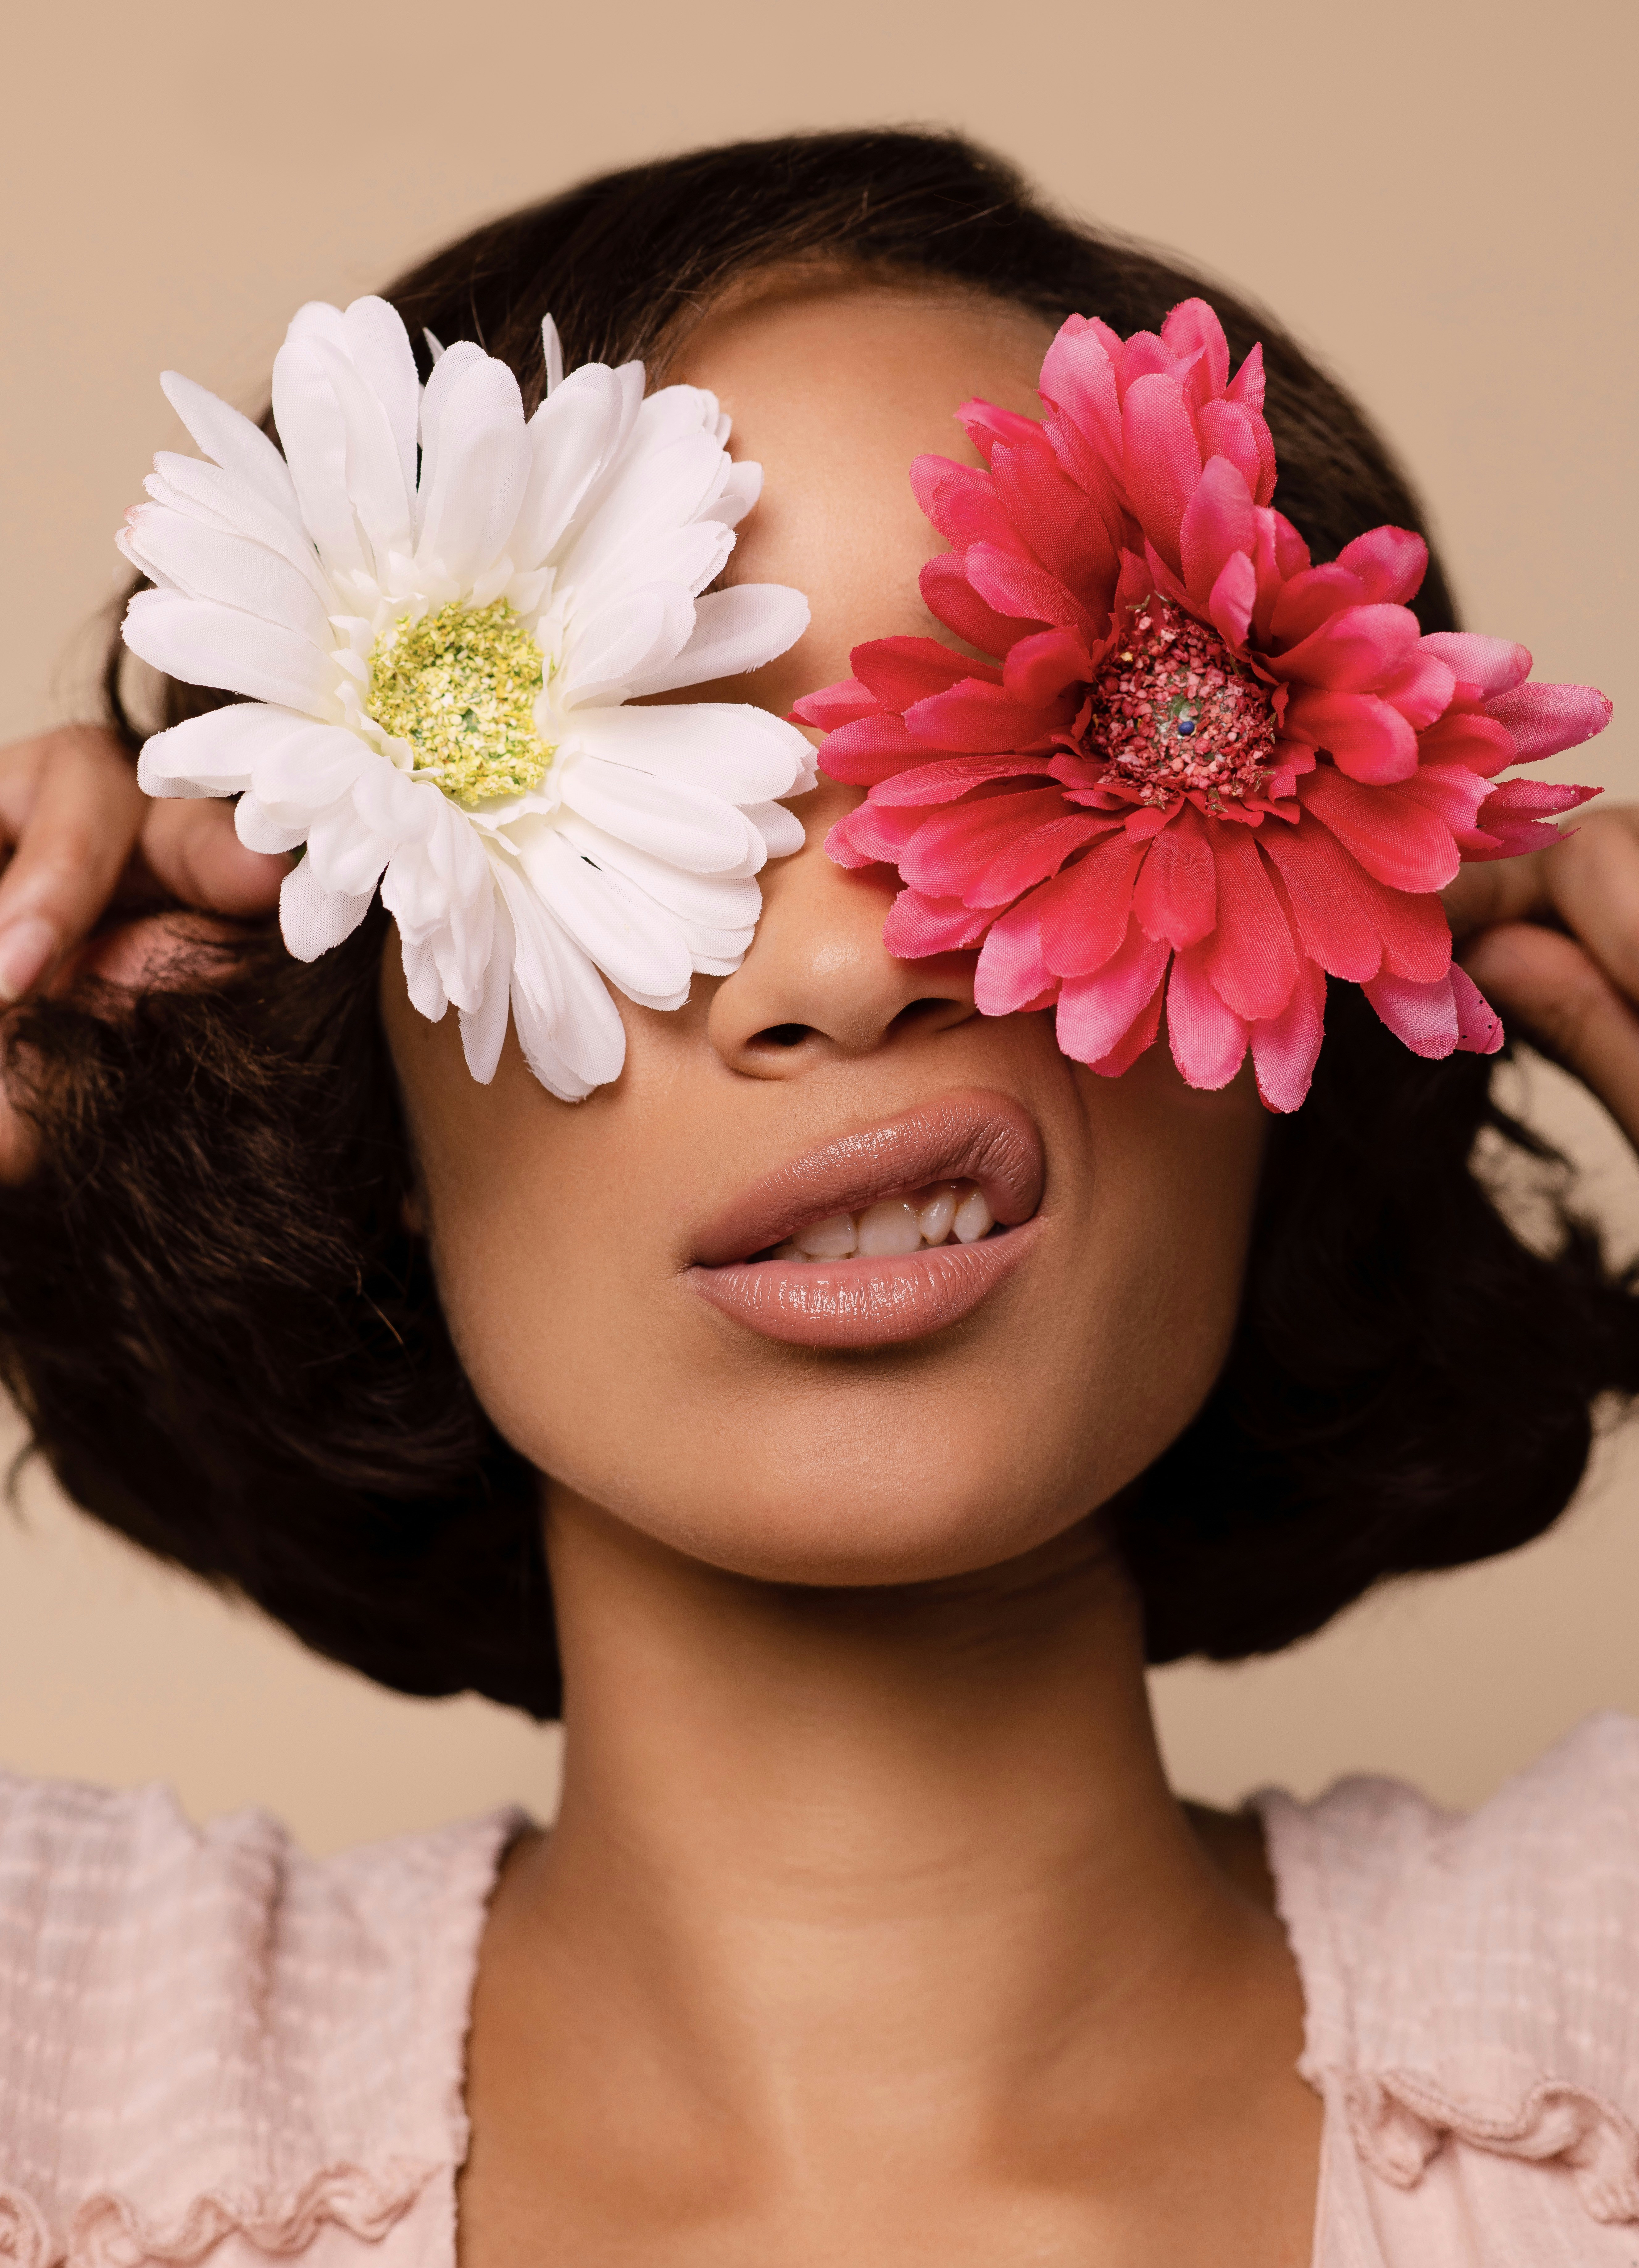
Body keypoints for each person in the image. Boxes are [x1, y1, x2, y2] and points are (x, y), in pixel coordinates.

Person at [0, 128, 1635, 2267]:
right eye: (641, 790)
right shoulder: (61, 2060)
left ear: (1297, 989)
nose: (857, 974)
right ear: (360, 1087)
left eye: (1065, 745)